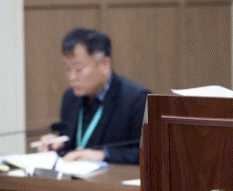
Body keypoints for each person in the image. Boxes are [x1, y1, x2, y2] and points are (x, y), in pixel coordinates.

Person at [36, 28, 150, 164]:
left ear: (104, 64)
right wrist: (57, 147)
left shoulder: (137, 99)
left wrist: (103, 155)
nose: (72, 77)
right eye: (67, 69)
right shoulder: (70, 98)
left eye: (78, 69)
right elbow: (72, 146)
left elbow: (148, 154)